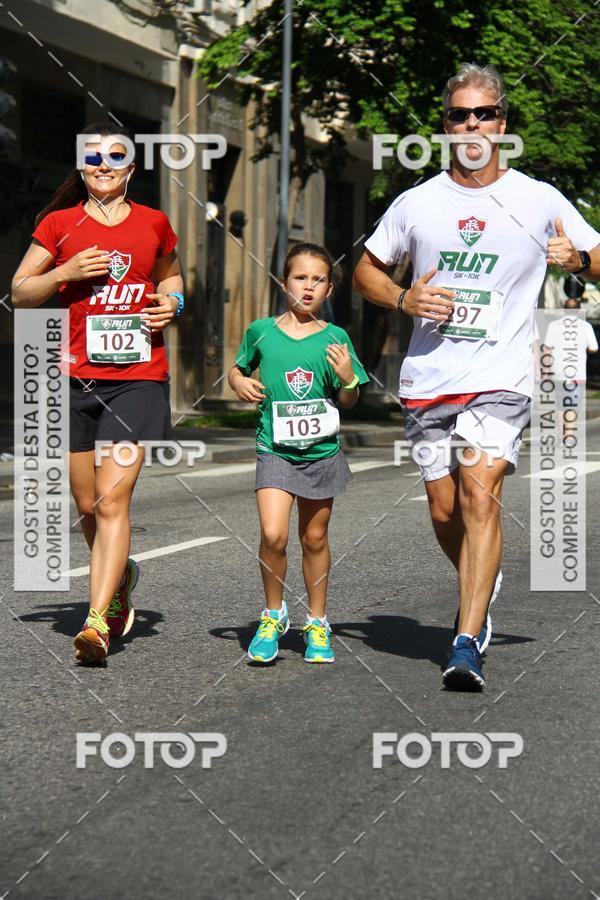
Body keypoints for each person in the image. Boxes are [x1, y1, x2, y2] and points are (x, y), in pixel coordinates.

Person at [353, 63, 600, 690]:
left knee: (478, 487)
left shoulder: (539, 198)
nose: (472, 125)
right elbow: (366, 271)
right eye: (459, 115)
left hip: (502, 373)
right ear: (445, 126)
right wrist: (404, 298)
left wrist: (581, 259)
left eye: (483, 114)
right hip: (429, 375)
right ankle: (481, 577)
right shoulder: (418, 202)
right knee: (444, 509)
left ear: (502, 123)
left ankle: (466, 639)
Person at [11, 123, 184, 664]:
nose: (104, 164)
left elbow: (173, 279)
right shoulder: (58, 224)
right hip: (73, 378)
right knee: (87, 502)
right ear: (82, 167)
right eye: (94, 157)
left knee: (112, 500)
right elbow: (19, 294)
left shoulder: (154, 223)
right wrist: (63, 269)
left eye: (116, 157)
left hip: (137, 378)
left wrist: (171, 306)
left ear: (131, 169)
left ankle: (97, 622)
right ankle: (122, 577)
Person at [228, 243, 369, 664]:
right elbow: (238, 366)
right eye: (300, 278)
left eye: (318, 280)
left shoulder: (335, 337)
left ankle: (318, 621)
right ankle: (272, 615)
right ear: (283, 282)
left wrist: (346, 378)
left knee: (314, 537)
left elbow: (349, 399)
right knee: (273, 534)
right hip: (274, 449)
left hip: (320, 452)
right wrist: (238, 382)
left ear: (328, 290)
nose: (308, 287)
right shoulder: (261, 331)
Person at [543, 298, 598, 415]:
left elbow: (547, 350)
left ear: (564, 310)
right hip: (577, 374)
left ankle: (560, 433)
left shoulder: (553, 325)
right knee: (572, 407)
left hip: (557, 372)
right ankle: (568, 432)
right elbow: (594, 348)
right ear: (579, 311)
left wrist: (546, 372)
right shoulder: (586, 326)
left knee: (559, 406)